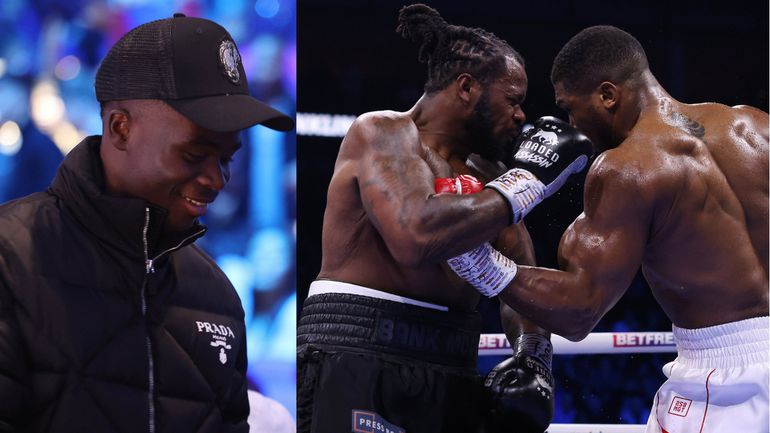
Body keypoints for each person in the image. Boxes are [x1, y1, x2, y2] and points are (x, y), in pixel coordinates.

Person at [451, 25, 769, 433]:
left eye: (569, 107)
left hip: (725, 386)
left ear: (607, 95)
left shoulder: (627, 166)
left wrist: (479, 261)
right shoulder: (756, 127)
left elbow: (580, 310)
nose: (571, 123)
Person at [296, 4, 591, 433]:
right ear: (467, 87)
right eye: (513, 100)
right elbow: (414, 235)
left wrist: (534, 356)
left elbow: (520, 284)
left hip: (450, 369)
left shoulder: (490, 177)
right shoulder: (382, 133)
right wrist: (528, 181)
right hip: (358, 355)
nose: (522, 115)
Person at [0, 14, 293, 432]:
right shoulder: (11, 259)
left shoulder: (217, 295)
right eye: (194, 155)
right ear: (121, 128)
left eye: (227, 158)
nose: (216, 179)